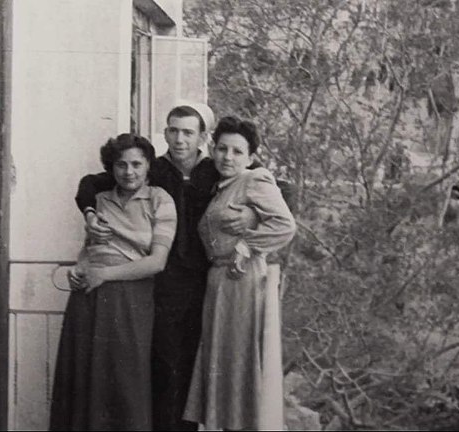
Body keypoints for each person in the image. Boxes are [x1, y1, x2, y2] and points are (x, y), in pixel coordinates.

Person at [74, 103, 257, 430]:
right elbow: (91, 183)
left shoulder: (217, 169)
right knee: (164, 364)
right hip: (164, 283)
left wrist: (253, 216)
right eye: (172, 130)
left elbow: (274, 189)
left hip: (212, 278)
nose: (179, 139)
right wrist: (89, 212)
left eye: (188, 132)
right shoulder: (154, 169)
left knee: (202, 364)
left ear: (203, 137)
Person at [50, 134, 177, 431]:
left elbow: (157, 262)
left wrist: (104, 275)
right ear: (112, 167)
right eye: (121, 165)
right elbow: (89, 249)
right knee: (84, 380)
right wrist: (79, 268)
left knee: (124, 383)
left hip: (130, 299)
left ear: (148, 166)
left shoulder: (161, 200)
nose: (129, 172)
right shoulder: (101, 201)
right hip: (88, 297)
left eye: (136, 164)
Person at [183, 116, 296, 430]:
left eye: (236, 151)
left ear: (250, 156)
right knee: (221, 364)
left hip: (241, 279)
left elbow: (285, 226)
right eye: (221, 149)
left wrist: (248, 246)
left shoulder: (255, 179)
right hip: (219, 282)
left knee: (238, 364)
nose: (227, 157)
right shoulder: (219, 186)